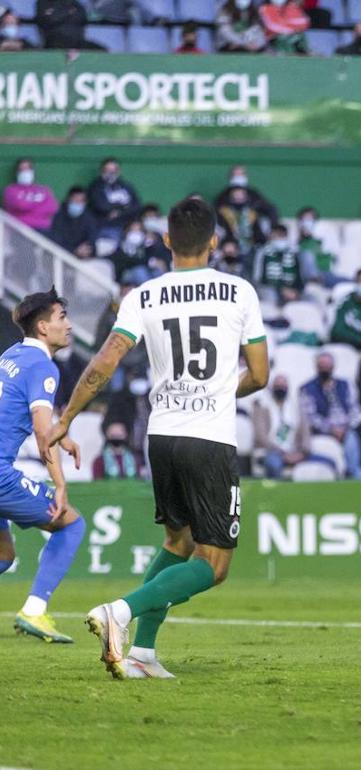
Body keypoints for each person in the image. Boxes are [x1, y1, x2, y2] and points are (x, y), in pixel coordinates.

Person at [51, 196, 270, 679]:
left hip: (161, 436)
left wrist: (67, 416)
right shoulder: (239, 292)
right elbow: (259, 374)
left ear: (167, 240)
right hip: (208, 438)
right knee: (214, 564)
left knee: (179, 540)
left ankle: (142, 654)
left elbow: (105, 362)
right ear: (215, 241)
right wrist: (220, 390)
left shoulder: (143, 295)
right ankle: (120, 613)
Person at [0, 289, 86, 644]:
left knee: (4, 554)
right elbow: (39, 431)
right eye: (62, 317)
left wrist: (60, 434)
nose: (68, 325)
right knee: (71, 524)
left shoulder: (11, 355)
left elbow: (19, 409)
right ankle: (35, 610)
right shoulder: (43, 367)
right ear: (42, 326)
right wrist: (60, 483)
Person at [252, 374, 310, 479]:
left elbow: (306, 433)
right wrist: (283, 454)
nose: (280, 388)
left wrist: (302, 453)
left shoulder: (295, 408)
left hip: (295, 451)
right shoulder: (262, 408)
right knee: (274, 464)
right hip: (271, 451)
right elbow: (261, 437)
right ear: (272, 387)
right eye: (277, 386)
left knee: (327, 462)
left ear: (288, 388)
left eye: (283, 386)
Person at [300, 352, 357, 441]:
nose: (325, 368)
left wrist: (346, 428)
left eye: (327, 365)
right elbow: (310, 416)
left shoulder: (346, 384)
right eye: (321, 365)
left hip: (347, 428)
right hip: (323, 431)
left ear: (333, 366)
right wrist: (331, 429)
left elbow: (354, 408)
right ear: (316, 367)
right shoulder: (307, 389)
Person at [87, 157, 141, 244]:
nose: (111, 173)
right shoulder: (95, 187)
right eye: (107, 170)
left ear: (119, 171)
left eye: (114, 170)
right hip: (105, 226)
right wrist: (124, 206)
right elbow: (101, 206)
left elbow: (137, 206)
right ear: (101, 171)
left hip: (127, 226)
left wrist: (119, 212)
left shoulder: (127, 187)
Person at [212, 165, 279, 234]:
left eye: (241, 174)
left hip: (253, 232)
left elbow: (269, 209)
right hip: (230, 234)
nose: (238, 177)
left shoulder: (254, 195)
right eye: (236, 174)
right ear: (230, 177)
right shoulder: (222, 197)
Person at [4, 158, 58, 232]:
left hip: (42, 229)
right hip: (18, 229)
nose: (25, 172)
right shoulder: (11, 190)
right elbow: (20, 206)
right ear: (17, 172)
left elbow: (52, 207)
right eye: (21, 169)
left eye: (27, 169)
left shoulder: (43, 190)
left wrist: (29, 207)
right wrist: (39, 204)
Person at [48, 186, 98, 259]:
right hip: (60, 257)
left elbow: (92, 239)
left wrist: (86, 249)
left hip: (83, 257)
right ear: (68, 200)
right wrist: (74, 251)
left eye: (81, 201)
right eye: (75, 200)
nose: (78, 203)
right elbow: (55, 241)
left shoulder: (88, 217)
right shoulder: (58, 215)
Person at [35, 0, 102, 49]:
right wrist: (68, 12)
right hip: (55, 42)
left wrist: (65, 12)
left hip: (78, 42)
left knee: (100, 50)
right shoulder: (44, 2)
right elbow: (51, 19)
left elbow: (82, 18)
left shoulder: (75, 3)